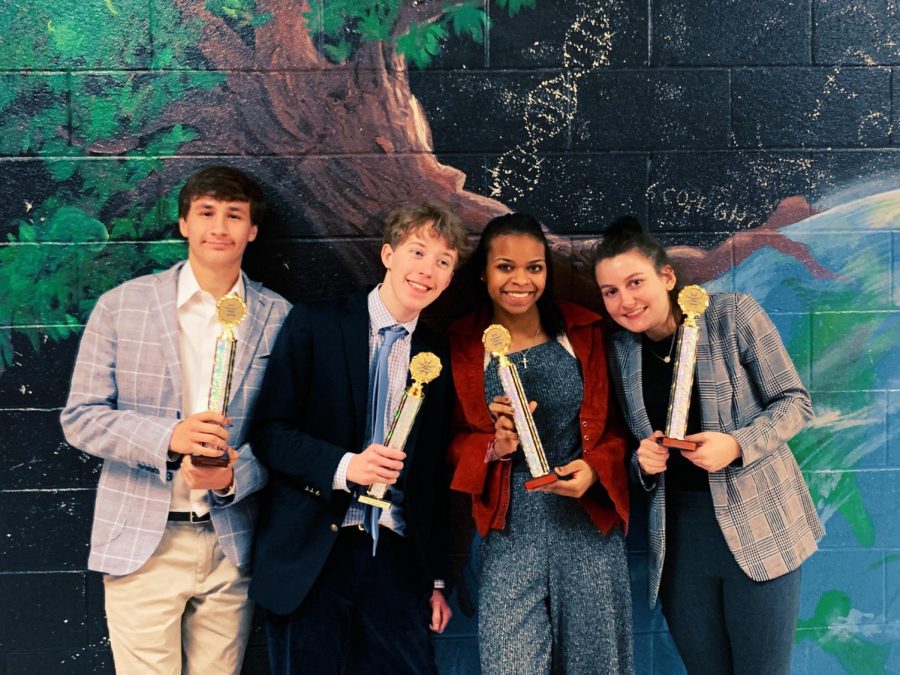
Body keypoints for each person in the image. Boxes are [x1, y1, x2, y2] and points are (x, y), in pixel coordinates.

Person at [60, 165, 291, 674]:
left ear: (252, 230)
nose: (219, 227)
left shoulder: (280, 318)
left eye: (234, 215)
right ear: (184, 223)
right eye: (206, 212)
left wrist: (235, 475)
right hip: (142, 543)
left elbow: (289, 433)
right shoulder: (122, 306)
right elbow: (81, 418)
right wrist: (168, 438)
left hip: (232, 544)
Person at [593, 216, 824, 675]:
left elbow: (795, 403)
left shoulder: (731, 315)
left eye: (635, 282)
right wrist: (644, 462)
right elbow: (632, 444)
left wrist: (737, 445)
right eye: (610, 292)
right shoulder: (621, 351)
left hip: (760, 527)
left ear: (667, 277)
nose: (626, 300)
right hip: (680, 540)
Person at [249, 202, 468, 675]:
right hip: (312, 554)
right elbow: (269, 433)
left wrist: (433, 577)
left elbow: (430, 477)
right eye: (418, 251)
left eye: (443, 262)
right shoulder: (317, 323)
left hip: (393, 554)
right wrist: (346, 467)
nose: (427, 270)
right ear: (388, 254)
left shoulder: (437, 356)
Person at [447, 213, 634, 674]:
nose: (521, 280)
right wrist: (495, 447)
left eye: (535, 267)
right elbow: (448, 442)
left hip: (585, 523)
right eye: (505, 267)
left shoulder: (584, 331)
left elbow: (616, 429)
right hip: (508, 531)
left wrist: (593, 470)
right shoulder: (461, 344)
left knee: (598, 666)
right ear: (483, 273)